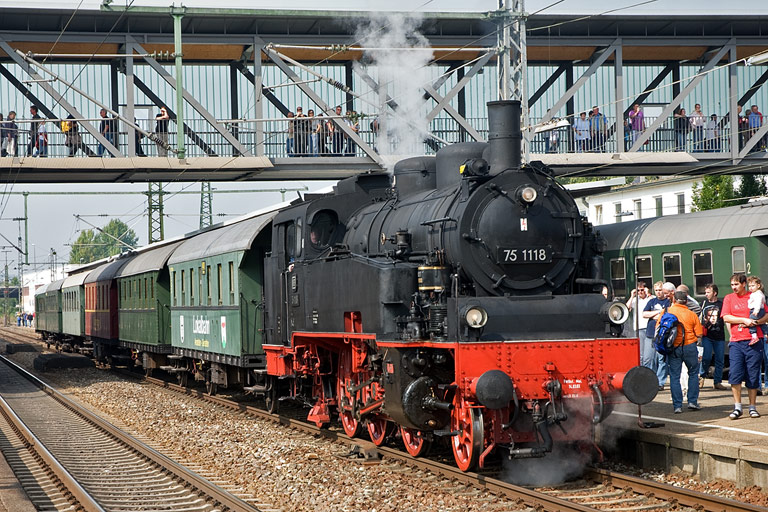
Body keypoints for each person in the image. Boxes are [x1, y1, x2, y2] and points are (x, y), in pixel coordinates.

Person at [722, 273, 767, 419]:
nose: (734, 287)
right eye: (732, 285)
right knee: (735, 374)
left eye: (736, 284)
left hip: (754, 341)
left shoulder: (754, 296)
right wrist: (744, 320)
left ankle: (752, 407)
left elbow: (766, 314)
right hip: (736, 341)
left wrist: (755, 322)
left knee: (753, 375)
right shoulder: (729, 298)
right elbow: (726, 317)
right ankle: (738, 407)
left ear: (743, 284)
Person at [667, 290, 704, 413]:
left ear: (674, 300)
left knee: (674, 376)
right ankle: (692, 402)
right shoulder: (691, 314)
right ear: (686, 301)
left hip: (674, 348)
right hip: (689, 347)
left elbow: (659, 328)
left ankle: (677, 405)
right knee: (693, 373)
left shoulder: (667, 312)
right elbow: (699, 333)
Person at [644, 281, 675, 390]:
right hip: (650, 333)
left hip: (662, 334)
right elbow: (644, 314)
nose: (658, 292)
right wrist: (657, 313)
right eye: (656, 290)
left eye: (660, 290)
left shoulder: (668, 302)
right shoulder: (651, 301)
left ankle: (660, 382)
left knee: (661, 359)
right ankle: (650, 380)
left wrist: (656, 314)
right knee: (648, 359)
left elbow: (666, 316)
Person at [699, 283, 726, 390]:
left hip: (719, 336)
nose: (706, 294)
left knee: (720, 359)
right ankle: (701, 377)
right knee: (706, 357)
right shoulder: (703, 303)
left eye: (708, 292)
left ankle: (717, 382)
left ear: (715, 293)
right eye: (705, 292)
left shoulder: (721, 304)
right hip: (707, 336)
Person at [626, 282, 653, 368]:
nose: (640, 292)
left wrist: (648, 294)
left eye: (642, 290)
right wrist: (632, 296)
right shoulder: (635, 300)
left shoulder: (650, 299)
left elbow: (654, 302)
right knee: (640, 353)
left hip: (649, 328)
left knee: (649, 355)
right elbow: (626, 308)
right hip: (639, 328)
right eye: (638, 290)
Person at [747, 276, 766, 345]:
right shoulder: (755, 293)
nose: (751, 287)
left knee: (751, 321)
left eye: (753, 285)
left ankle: (754, 336)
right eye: (749, 286)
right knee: (762, 323)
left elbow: (758, 302)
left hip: (757, 310)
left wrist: (756, 311)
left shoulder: (758, 294)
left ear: (758, 285)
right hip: (759, 310)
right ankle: (766, 333)